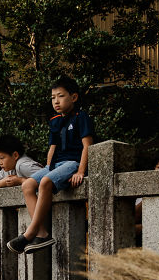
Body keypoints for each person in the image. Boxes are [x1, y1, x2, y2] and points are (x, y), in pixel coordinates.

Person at [8, 76, 95, 254]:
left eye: (61, 96)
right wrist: (48, 168)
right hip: (55, 165)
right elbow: (52, 148)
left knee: (46, 182)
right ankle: (42, 233)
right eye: (53, 97)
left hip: (72, 163)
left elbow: (87, 146)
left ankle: (29, 233)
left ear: (74, 97)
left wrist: (80, 171)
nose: (56, 101)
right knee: (28, 185)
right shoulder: (55, 120)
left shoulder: (81, 117)